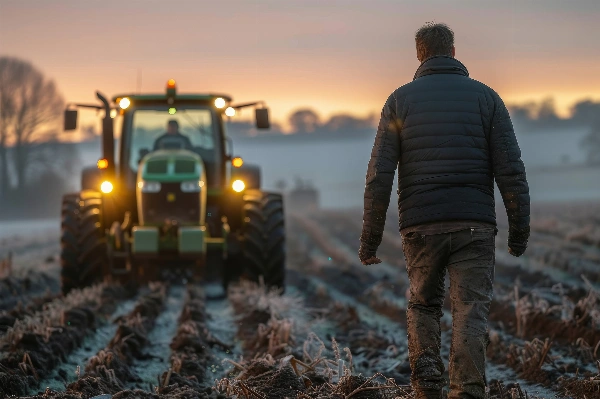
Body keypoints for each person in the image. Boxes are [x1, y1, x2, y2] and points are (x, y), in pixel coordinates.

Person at [358, 22, 530, 399]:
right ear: (452, 52)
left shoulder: (399, 101)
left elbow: (378, 175)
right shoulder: (487, 99)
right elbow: (511, 170)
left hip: (420, 226)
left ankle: (427, 387)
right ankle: (467, 392)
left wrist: (369, 241)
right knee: (470, 310)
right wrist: (519, 233)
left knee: (423, 304)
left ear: (419, 55)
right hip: (475, 225)